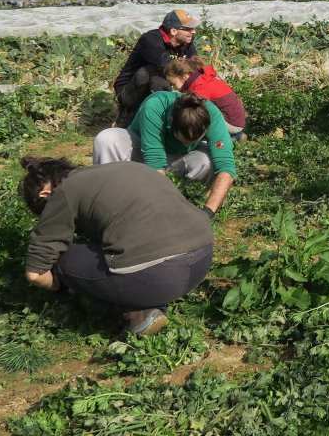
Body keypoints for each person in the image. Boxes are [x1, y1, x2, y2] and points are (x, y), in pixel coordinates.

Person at [20, 156, 214, 337]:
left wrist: (64, 288)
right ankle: (142, 295)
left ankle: (140, 311)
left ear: (45, 194)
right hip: (202, 259)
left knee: (63, 259)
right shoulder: (127, 167)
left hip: (162, 278)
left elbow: (35, 273)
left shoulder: (64, 192)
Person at [92, 92, 236, 214]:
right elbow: (155, 164)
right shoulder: (155, 106)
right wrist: (163, 212)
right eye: (183, 140)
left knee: (207, 161)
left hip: (177, 159)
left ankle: (188, 201)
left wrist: (208, 212)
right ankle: (109, 203)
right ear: (172, 121)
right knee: (106, 139)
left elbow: (226, 168)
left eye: (192, 141)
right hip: (142, 154)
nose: (186, 145)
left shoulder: (212, 115)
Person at [112, 10, 199, 128]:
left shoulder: (186, 42)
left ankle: (171, 117)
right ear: (173, 31)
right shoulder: (151, 40)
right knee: (153, 73)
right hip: (129, 90)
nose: (193, 32)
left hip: (159, 84)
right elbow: (168, 67)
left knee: (189, 77)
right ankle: (127, 112)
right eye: (189, 29)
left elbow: (194, 66)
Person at [165, 57, 247, 141]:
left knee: (194, 118)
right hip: (236, 119)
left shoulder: (199, 88)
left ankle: (231, 138)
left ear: (184, 77)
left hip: (232, 123)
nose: (174, 87)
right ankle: (235, 135)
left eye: (173, 83)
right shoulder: (202, 79)